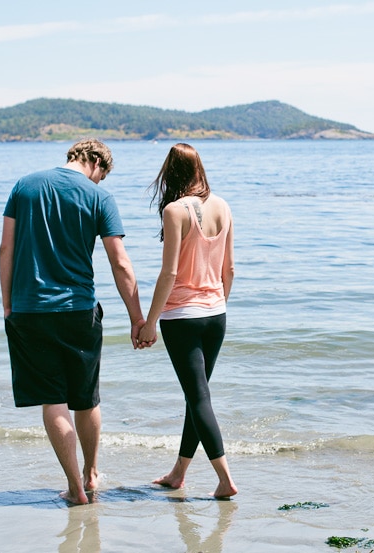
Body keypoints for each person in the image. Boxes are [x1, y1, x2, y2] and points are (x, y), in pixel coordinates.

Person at [0, 138, 146, 505]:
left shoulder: (25, 185)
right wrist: (137, 318)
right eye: (102, 176)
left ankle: (75, 488)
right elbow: (121, 263)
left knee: (53, 400)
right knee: (86, 399)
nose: (100, 183)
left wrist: (8, 304)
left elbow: (6, 248)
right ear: (97, 161)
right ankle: (91, 473)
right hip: (78, 310)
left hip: (29, 310)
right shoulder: (99, 198)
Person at [139, 143, 238, 499]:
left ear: (171, 172)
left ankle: (225, 480)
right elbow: (229, 268)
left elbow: (169, 273)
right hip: (216, 313)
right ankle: (179, 472)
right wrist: (217, 303)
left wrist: (149, 322)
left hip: (182, 316)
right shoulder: (223, 206)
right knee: (197, 397)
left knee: (197, 397)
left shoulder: (174, 210)